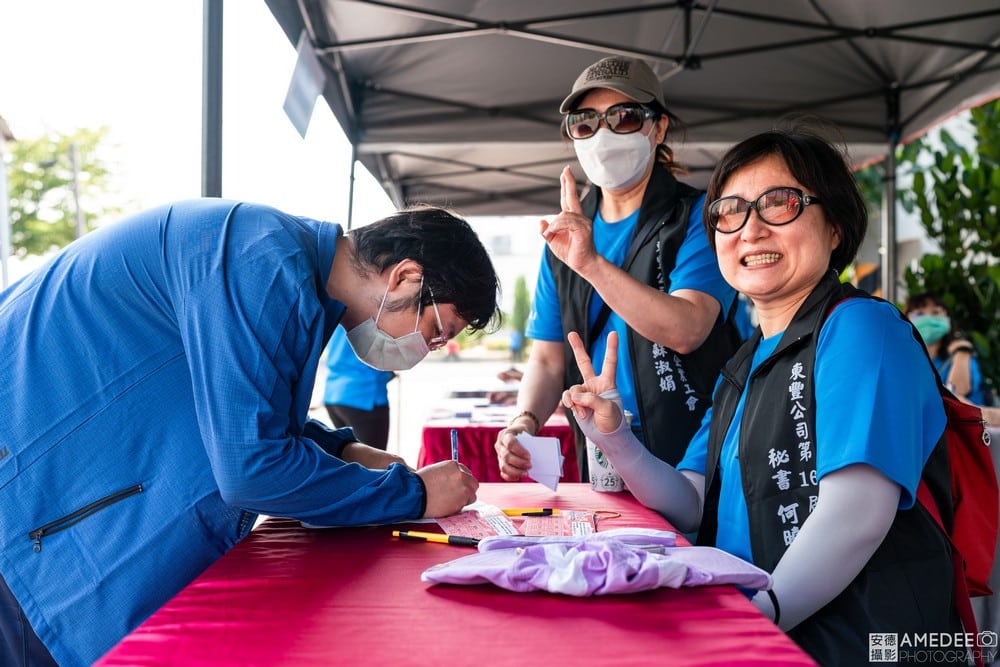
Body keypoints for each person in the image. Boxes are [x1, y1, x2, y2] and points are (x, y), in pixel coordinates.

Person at [0, 199, 501, 667]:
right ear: (406, 277)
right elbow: (252, 468)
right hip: (27, 505)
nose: (428, 347)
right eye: (437, 329)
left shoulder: (285, 267)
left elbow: (246, 408)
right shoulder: (263, 263)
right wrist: (413, 495)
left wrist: (346, 449)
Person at [560, 128, 961, 665]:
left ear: (836, 227)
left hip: (857, 643)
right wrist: (616, 437)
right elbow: (689, 500)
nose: (750, 229)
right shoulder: (743, 364)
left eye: (779, 203)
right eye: (730, 211)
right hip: (761, 631)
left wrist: (760, 613)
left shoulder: (863, 329)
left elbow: (858, 511)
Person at [495, 55, 742, 481]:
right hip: (600, 450)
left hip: (691, 449)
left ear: (658, 127)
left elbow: (688, 329)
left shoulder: (697, 216)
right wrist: (525, 420)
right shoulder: (563, 235)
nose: (603, 134)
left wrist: (590, 263)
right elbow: (549, 359)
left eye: (624, 117)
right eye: (585, 122)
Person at [904, 291, 986, 405]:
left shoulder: (961, 353)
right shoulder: (902, 361)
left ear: (947, 319)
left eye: (936, 312)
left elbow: (958, 391)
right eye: (920, 314)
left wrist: (961, 353)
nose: (928, 318)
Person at [322, 326, 395, 450]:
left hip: (334, 394)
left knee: (347, 460)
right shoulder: (371, 315)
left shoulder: (338, 312)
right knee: (374, 464)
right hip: (364, 395)